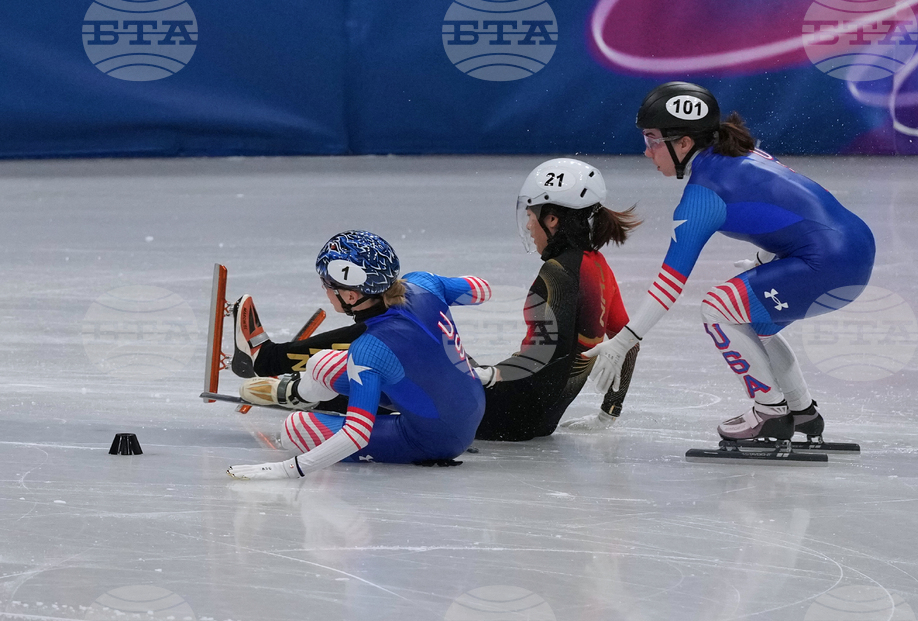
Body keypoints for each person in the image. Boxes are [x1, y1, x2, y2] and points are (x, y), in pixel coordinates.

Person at [585, 82, 876, 443]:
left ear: (684, 143)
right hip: (855, 247)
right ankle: (801, 410)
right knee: (755, 322)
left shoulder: (703, 195)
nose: (646, 152)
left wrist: (623, 342)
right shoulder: (745, 153)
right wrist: (767, 258)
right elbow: (799, 206)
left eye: (652, 139)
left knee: (718, 307)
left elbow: (669, 284)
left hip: (827, 262)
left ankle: (770, 413)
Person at [226, 230, 490, 479]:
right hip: (468, 400)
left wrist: (285, 470)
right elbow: (482, 289)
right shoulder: (423, 283)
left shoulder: (369, 348)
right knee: (320, 364)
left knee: (295, 429)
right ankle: (298, 393)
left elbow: (357, 434)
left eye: (326, 284)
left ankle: (304, 398)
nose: (325, 291)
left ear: (351, 296)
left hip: (437, 440)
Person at [471, 158, 642, 441]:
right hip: (543, 419)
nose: (528, 226)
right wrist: (609, 411)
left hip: (506, 414)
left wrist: (491, 376)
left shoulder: (558, 272)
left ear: (552, 219)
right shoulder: (598, 266)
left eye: (530, 215)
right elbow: (629, 344)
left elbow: (549, 353)